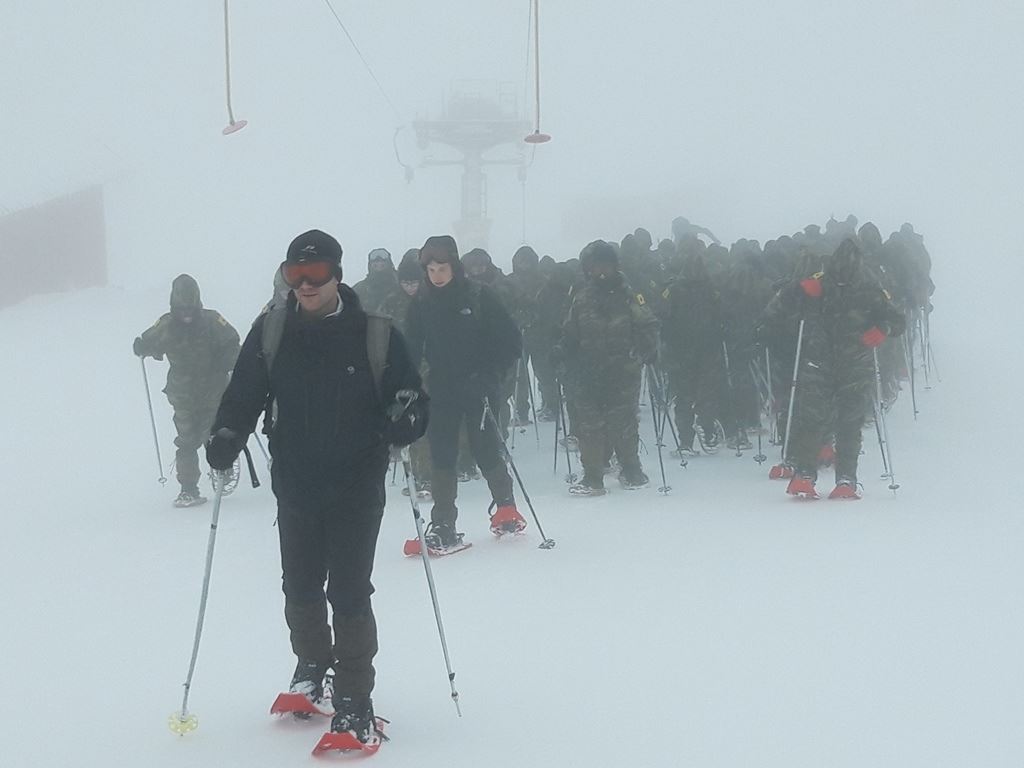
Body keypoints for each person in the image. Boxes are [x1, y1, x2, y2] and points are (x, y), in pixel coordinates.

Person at [205, 229, 428, 744]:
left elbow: (411, 397)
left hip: (356, 481)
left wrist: (407, 419)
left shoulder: (375, 333)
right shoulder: (271, 331)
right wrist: (226, 434)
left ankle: (355, 697)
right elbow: (243, 394)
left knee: (348, 590)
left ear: (337, 275)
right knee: (300, 585)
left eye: (316, 274)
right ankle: (311, 667)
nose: (305, 284)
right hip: (297, 481)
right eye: (294, 274)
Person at [757, 238, 905, 498]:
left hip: (829, 363)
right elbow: (776, 310)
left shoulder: (862, 288)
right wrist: (800, 289)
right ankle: (839, 479)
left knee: (820, 422)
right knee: (842, 424)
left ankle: (811, 476)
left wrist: (884, 328)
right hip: (842, 363)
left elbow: (896, 320)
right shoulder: (855, 287)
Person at [403, 235, 526, 549]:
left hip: (479, 385)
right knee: (442, 452)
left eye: (442, 268)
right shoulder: (421, 303)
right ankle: (443, 522)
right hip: (442, 387)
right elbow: (412, 349)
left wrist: (489, 375)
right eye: (430, 270)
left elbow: (510, 342)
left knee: (484, 447)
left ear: (454, 266)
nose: (437, 275)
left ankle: (506, 507)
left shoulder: (479, 296)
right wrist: (404, 384)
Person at [555, 240, 659, 495]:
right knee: (589, 425)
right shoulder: (581, 298)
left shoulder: (630, 296)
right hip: (588, 370)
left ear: (615, 267)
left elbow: (648, 324)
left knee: (622, 423)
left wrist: (648, 348)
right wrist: (561, 350)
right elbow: (570, 331)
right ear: (588, 269)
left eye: (606, 266)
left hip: (623, 370)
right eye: (595, 267)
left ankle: (631, 469)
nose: (601, 272)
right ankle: (593, 476)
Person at [133, 274, 240, 507]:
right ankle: (188, 488)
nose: (187, 315)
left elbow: (233, 342)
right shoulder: (167, 325)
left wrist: (227, 360)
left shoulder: (213, 321)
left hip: (213, 388)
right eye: (181, 310)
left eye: (190, 309)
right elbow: (149, 341)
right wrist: (142, 346)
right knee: (186, 440)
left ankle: (222, 470)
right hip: (182, 393)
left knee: (211, 434)